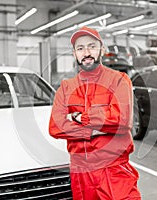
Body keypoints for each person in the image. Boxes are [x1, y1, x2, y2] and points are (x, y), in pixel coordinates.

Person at [49, 26, 141, 200]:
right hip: (80, 173)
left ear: (102, 50)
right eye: (80, 48)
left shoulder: (119, 80)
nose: (86, 52)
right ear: (74, 54)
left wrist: (78, 117)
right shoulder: (66, 87)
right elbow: (55, 127)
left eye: (92, 46)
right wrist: (92, 130)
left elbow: (122, 121)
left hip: (113, 171)